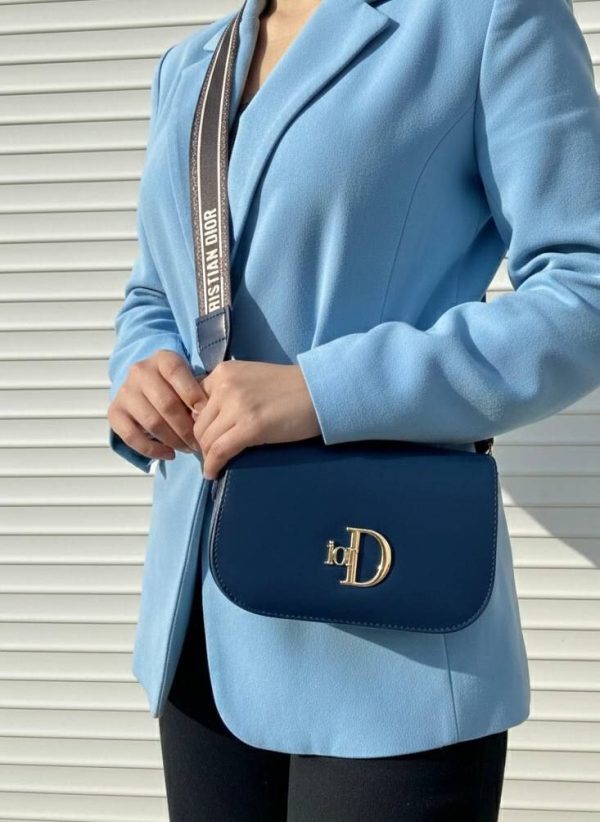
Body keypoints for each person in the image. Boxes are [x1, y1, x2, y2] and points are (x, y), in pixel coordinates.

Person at [106, 0, 600, 818]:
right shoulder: (190, 66)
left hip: (383, 623)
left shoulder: (482, 19)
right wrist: (140, 372)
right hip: (199, 622)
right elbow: (159, 288)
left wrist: (322, 389)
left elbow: (584, 295)